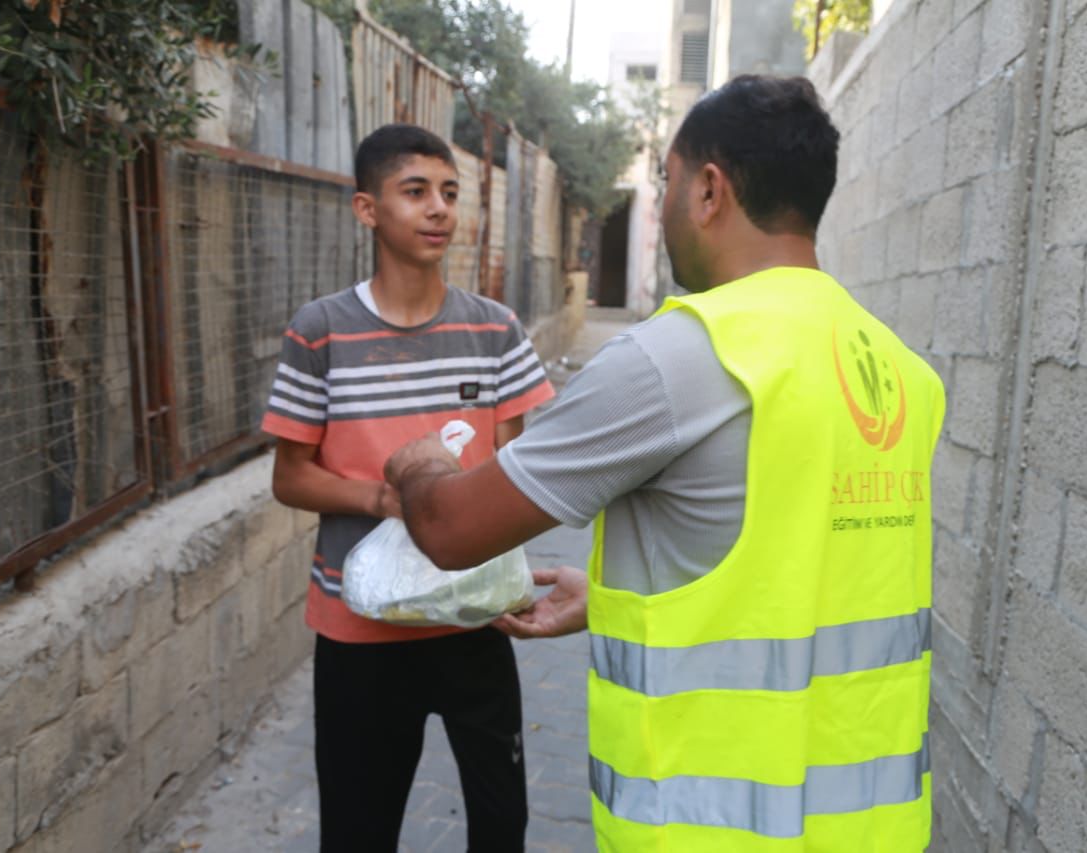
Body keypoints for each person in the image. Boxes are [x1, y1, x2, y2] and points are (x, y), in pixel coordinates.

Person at [385, 75, 946, 851]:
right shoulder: (902, 371)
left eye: (668, 180)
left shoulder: (680, 358)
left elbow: (451, 529)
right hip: (874, 829)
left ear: (709, 190)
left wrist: (418, 465)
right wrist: (614, 602)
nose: (667, 202)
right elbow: (802, 570)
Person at [261, 123, 554, 852]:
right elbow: (290, 477)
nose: (439, 209)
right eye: (416, 191)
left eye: (450, 193)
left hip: (475, 616)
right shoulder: (321, 331)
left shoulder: (495, 330)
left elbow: (519, 461)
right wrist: (381, 500)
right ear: (368, 209)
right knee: (358, 832)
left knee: (502, 826)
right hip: (360, 627)